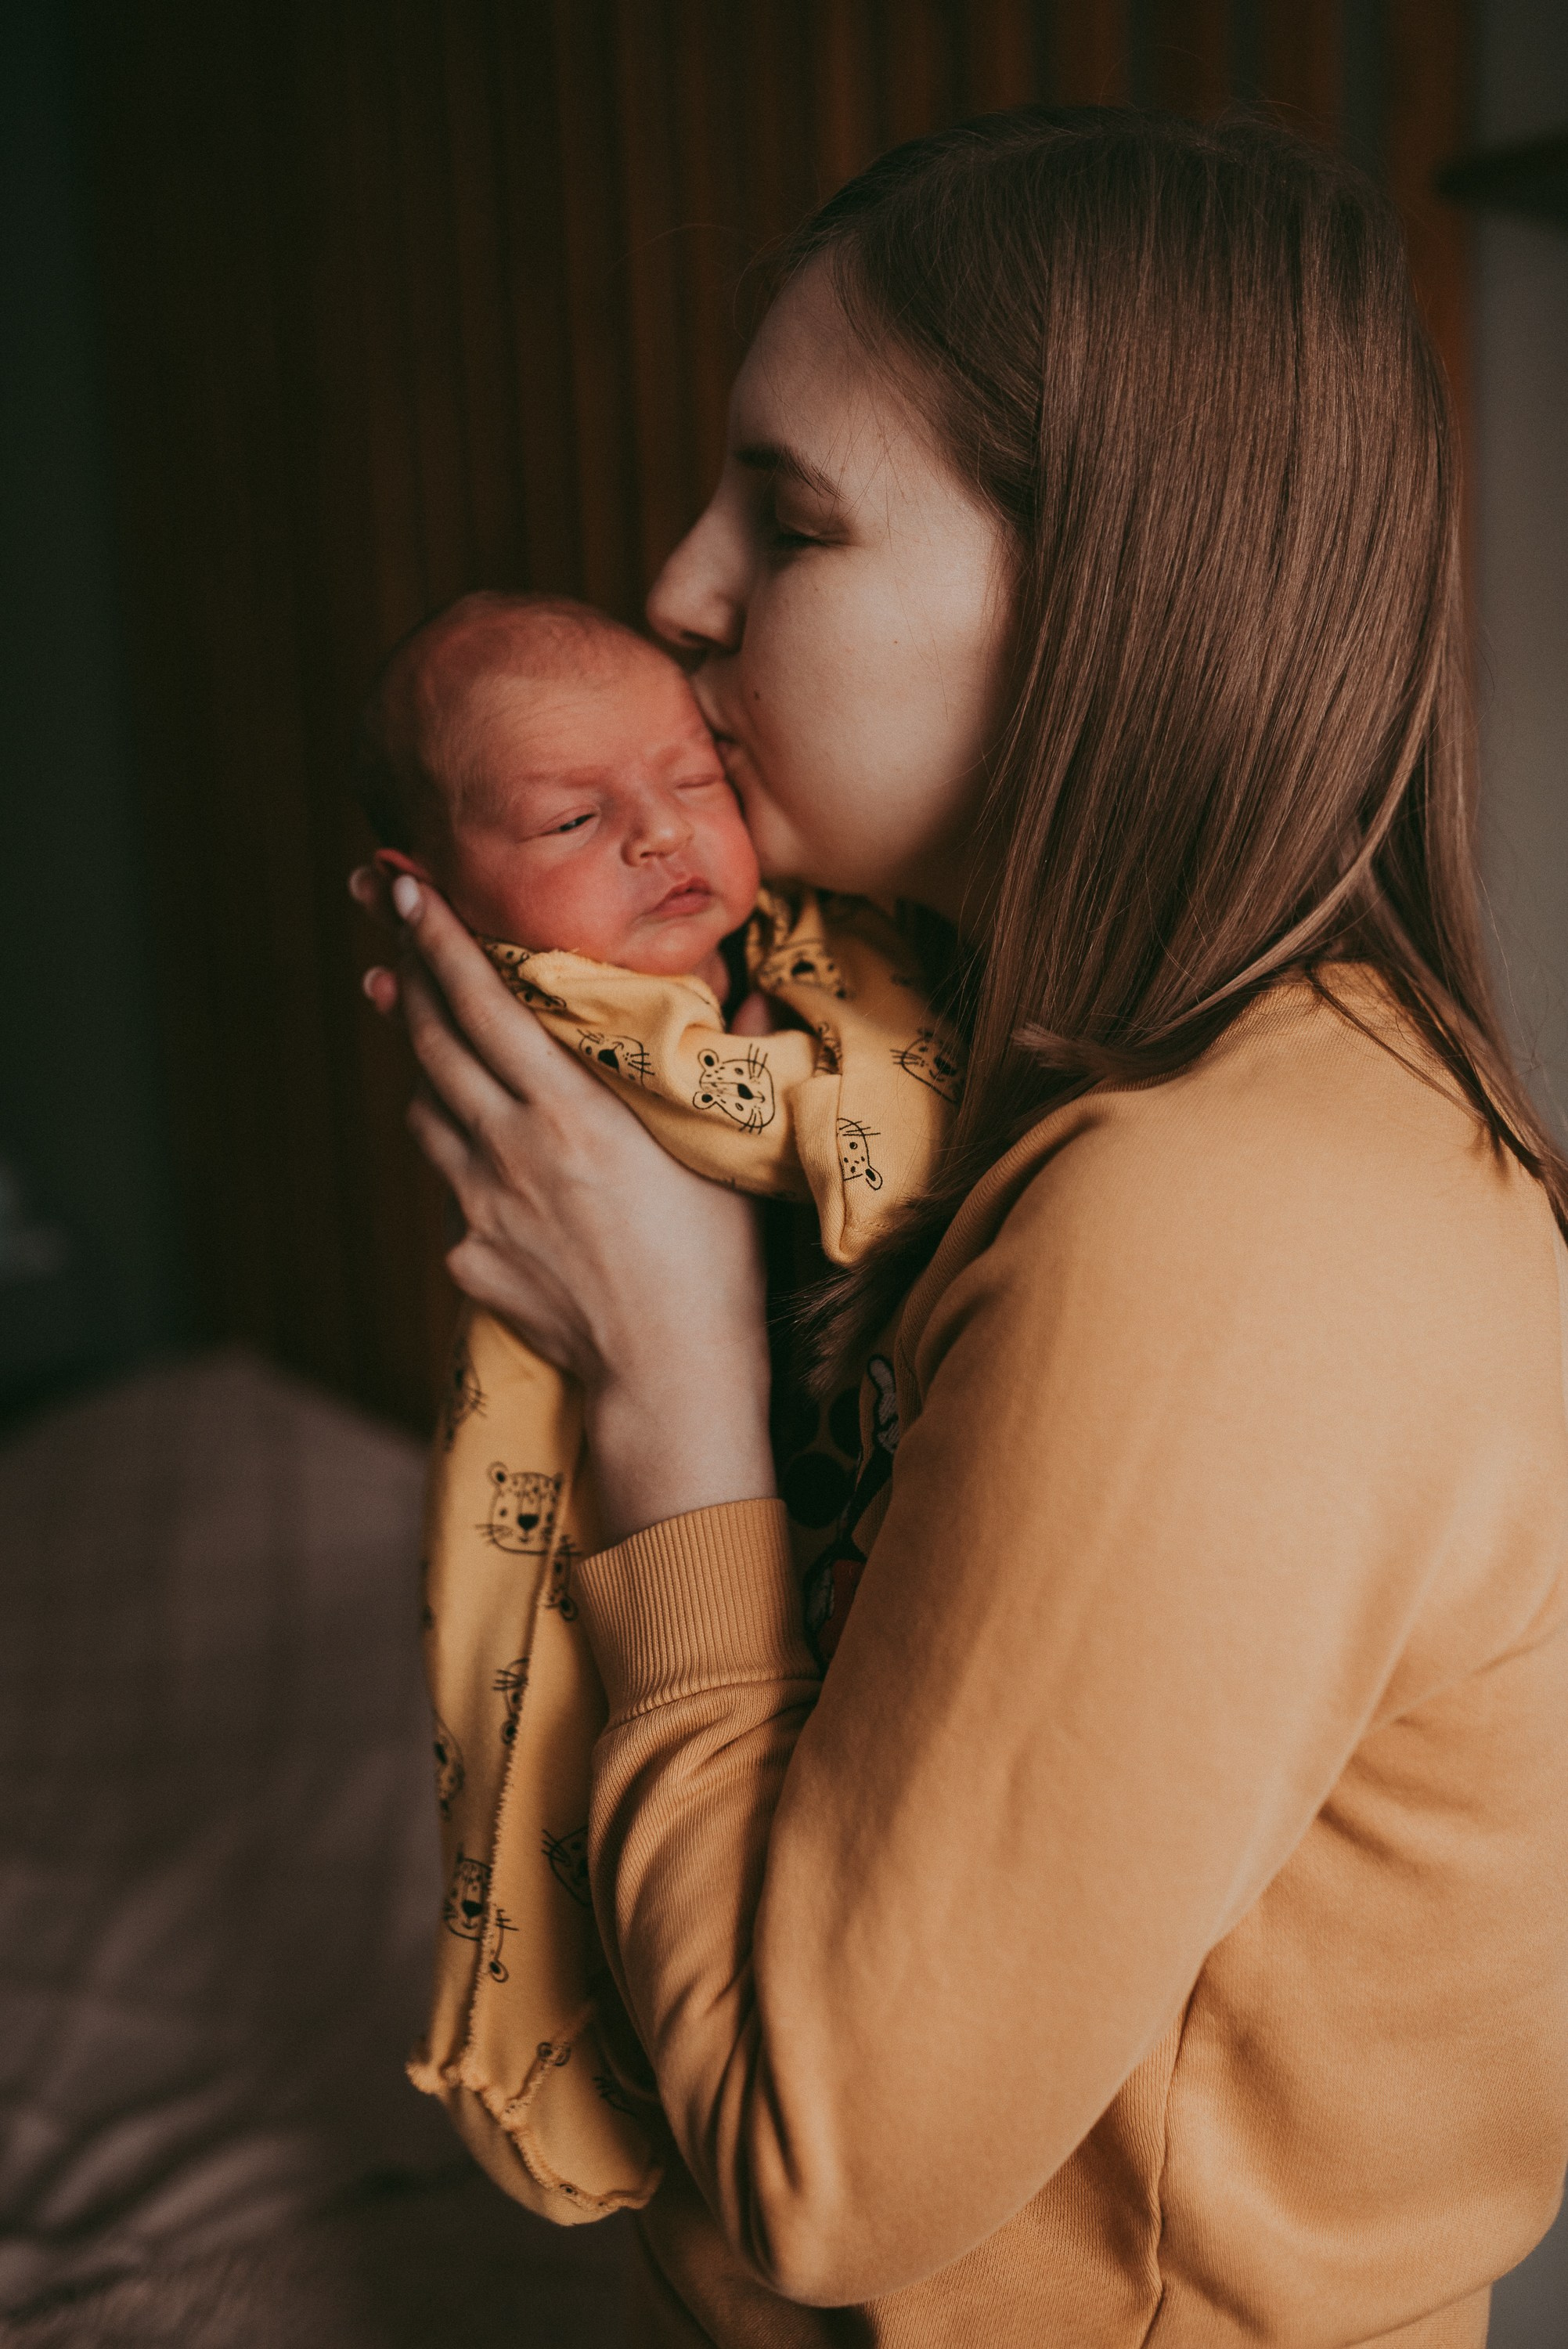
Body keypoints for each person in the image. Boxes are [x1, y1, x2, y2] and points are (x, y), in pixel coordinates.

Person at [355, 109, 1568, 2346]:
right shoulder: (1081, 1089)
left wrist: (670, 1372)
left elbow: (820, 2169)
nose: (678, 587)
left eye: (790, 518)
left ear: (1111, 590)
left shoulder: (1240, 1233)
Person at [353, 587, 961, 2225]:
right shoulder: (552, 1006)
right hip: (570, 1474)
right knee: (538, 1739)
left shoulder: (792, 944)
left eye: (695, 777)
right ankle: (567, 2069)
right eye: (570, 815)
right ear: (427, 896)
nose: (659, 835)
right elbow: (792, 1125)